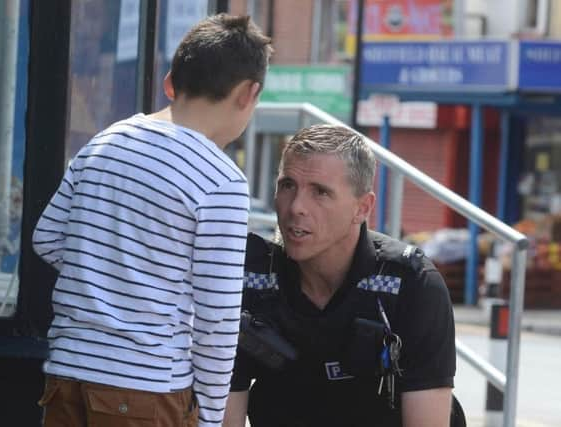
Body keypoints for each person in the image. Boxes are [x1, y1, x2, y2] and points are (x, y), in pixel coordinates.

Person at [32, 14, 272, 427]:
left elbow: (47, 237)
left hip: (66, 375)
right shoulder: (221, 180)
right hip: (146, 389)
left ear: (169, 82)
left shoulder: (105, 141)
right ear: (249, 94)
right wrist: (212, 419)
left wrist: (108, 281)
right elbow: (217, 320)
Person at [223, 124, 456, 427]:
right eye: (288, 185)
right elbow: (223, 417)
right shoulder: (248, 275)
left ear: (362, 208)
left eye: (320, 192)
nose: (296, 208)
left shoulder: (410, 284)